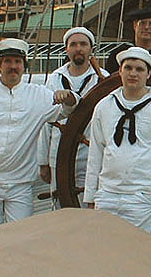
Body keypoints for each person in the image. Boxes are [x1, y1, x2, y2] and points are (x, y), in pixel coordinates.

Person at [0, 38, 79, 231]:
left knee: (21, 237)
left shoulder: (39, 96)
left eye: (17, 62)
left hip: (20, 184)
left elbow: (68, 110)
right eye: (8, 62)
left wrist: (69, 96)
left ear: (24, 66)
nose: (13, 66)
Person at [83, 47, 151, 235]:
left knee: (139, 256)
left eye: (139, 69)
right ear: (120, 71)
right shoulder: (104, 107)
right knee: (103, 253)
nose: (133, 73)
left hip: (142, 199)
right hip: (107, 195)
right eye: (128, 68)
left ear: (149, 74)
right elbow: (95, 155)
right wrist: (90, 198)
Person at [37, 27, 109, 208]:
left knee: (91, 203)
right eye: (73, 44)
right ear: (66, 49)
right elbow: (46, 122)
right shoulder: (54, 79)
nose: (79, 48)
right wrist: (43, 162)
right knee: (60, 206)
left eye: (83, 44)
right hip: (58, 154)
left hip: (92, 155)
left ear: (91, 49)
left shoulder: (104, 79)